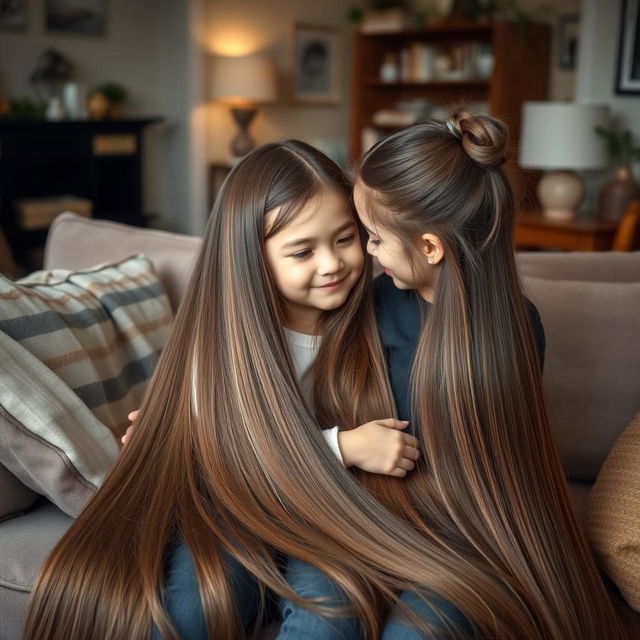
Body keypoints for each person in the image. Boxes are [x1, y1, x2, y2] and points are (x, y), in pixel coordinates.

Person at [24, 140, 468, 640]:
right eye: (302, 251)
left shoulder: (379, 316)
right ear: (251, 258)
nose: (331, 264)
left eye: (346, 239)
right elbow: (219, 453)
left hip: (332, 515)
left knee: (330, 615)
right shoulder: (224, 338)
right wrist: (342, 446)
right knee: (187, 611)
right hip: (236, 508)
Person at [283, 112, 627, 639]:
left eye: (372, 239)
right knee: (322, 624)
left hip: (459, 535)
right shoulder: (366, 304)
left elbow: (501, 470)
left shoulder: (513, 328)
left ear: (429, 248)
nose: (365, 257)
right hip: (354, 518)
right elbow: (291, 379)